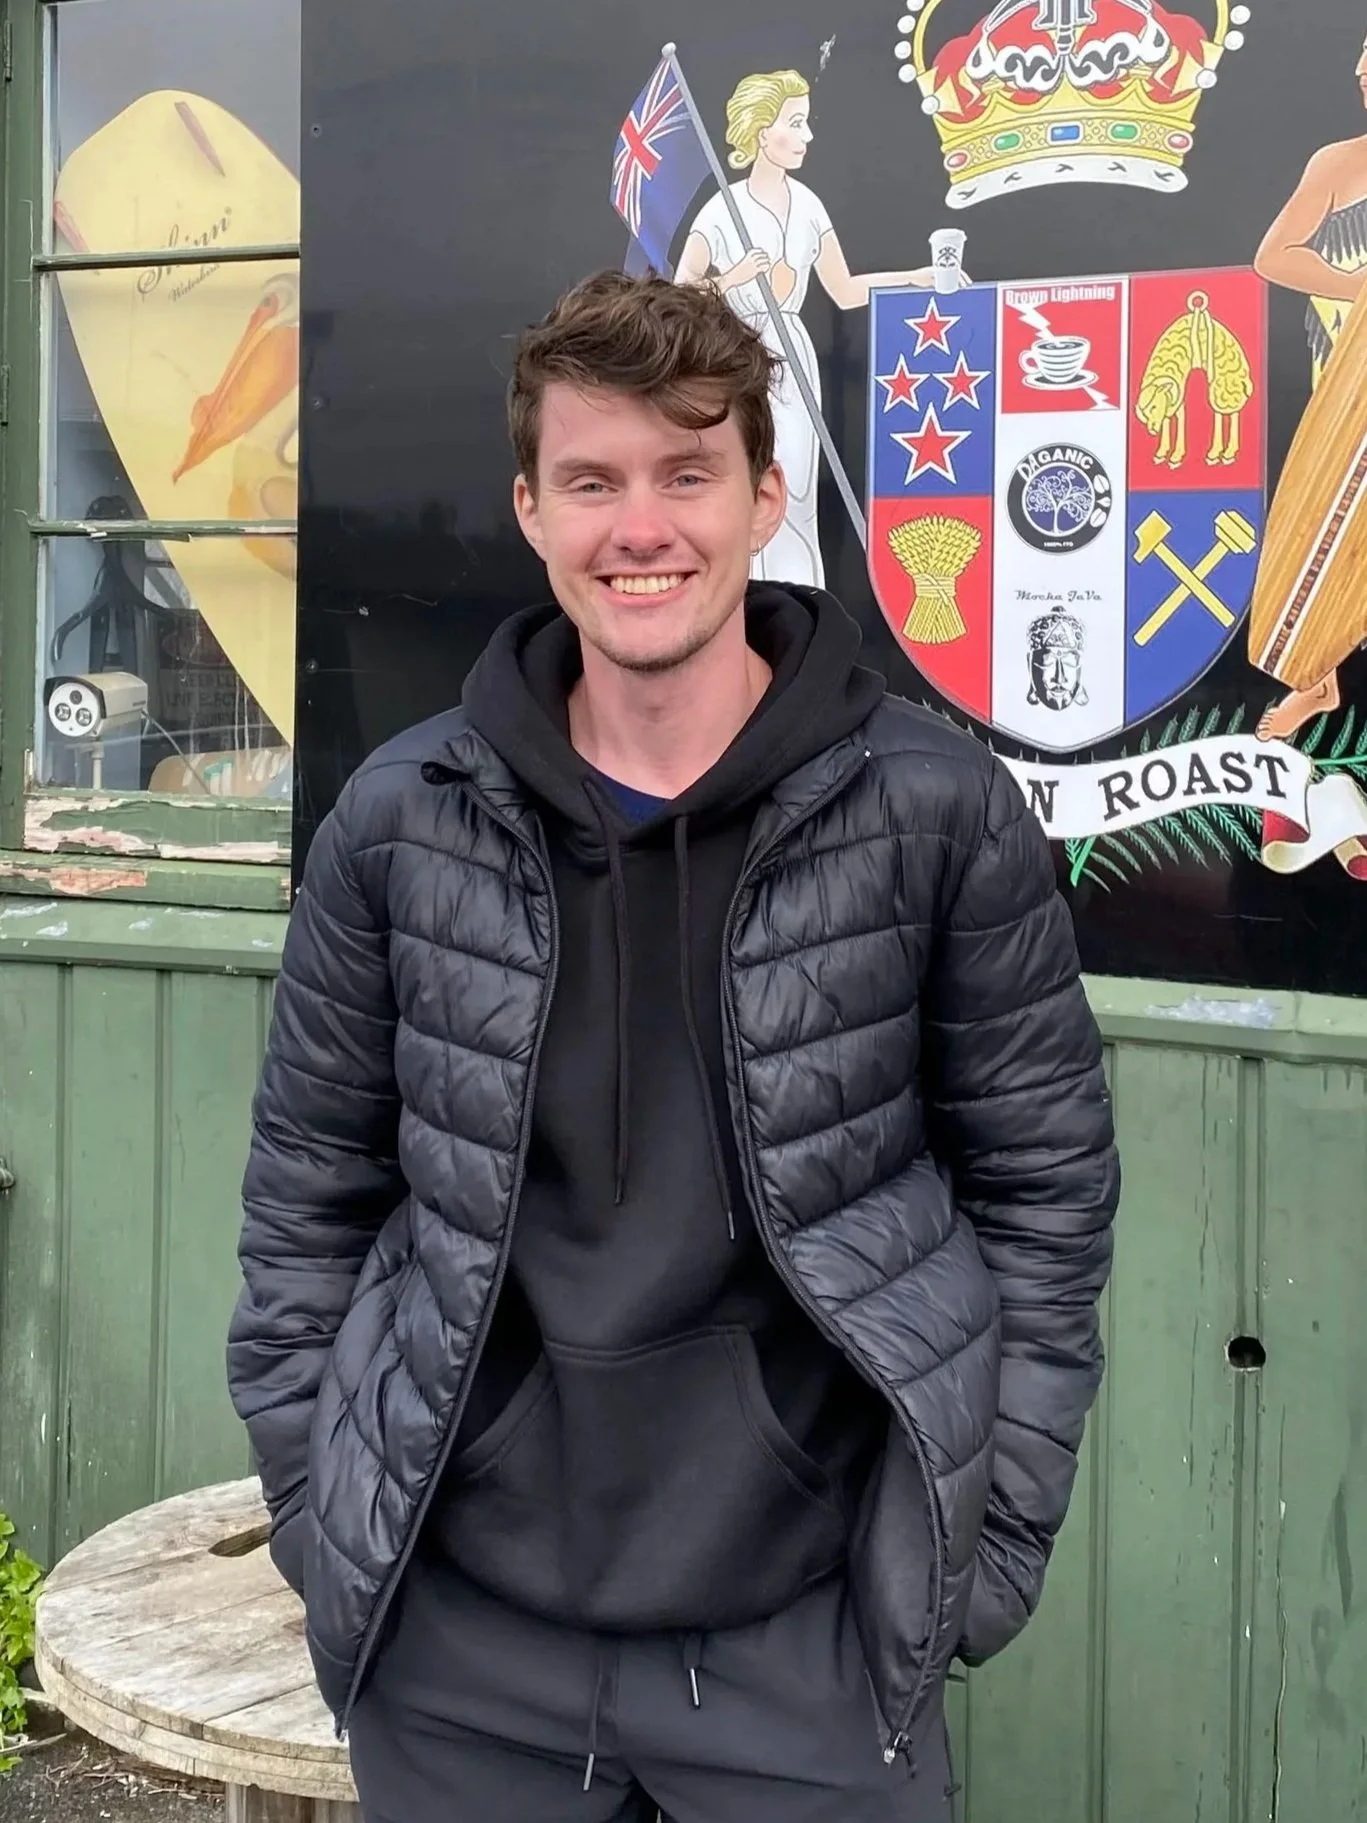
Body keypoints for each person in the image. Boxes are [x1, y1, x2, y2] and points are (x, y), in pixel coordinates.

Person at [227, 269, 1119, 1823]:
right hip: (463, 1654)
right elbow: (307, 1202)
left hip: (804, 1654)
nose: (640, 528)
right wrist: (321, 1511)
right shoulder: (395, 824)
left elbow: (1044, 1203)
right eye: (591, 479)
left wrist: (975, 1553)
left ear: (765, 495)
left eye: (686, 472)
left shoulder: (935, 812)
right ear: (528, 508)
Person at [675, 70, 939, 589]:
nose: (807, 135)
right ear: (760, 132)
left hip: (793, 356)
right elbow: (677, 293)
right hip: (735, 358)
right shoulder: (722, 210)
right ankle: (742, 592)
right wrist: (732, 279)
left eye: (806, 122)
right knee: (747, 480)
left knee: (795, 483)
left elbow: (843, 290)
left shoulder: (809, 206)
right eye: (794, 123)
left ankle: (801, 594)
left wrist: (914, 278)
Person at [1250, 34, 1367, 738]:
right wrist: (1355, 285)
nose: (1363, 83)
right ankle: (1315, 676)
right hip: (1347, 381)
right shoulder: (1338, 163)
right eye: (1360, 73)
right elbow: (1273, 256)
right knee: (1332, 530)